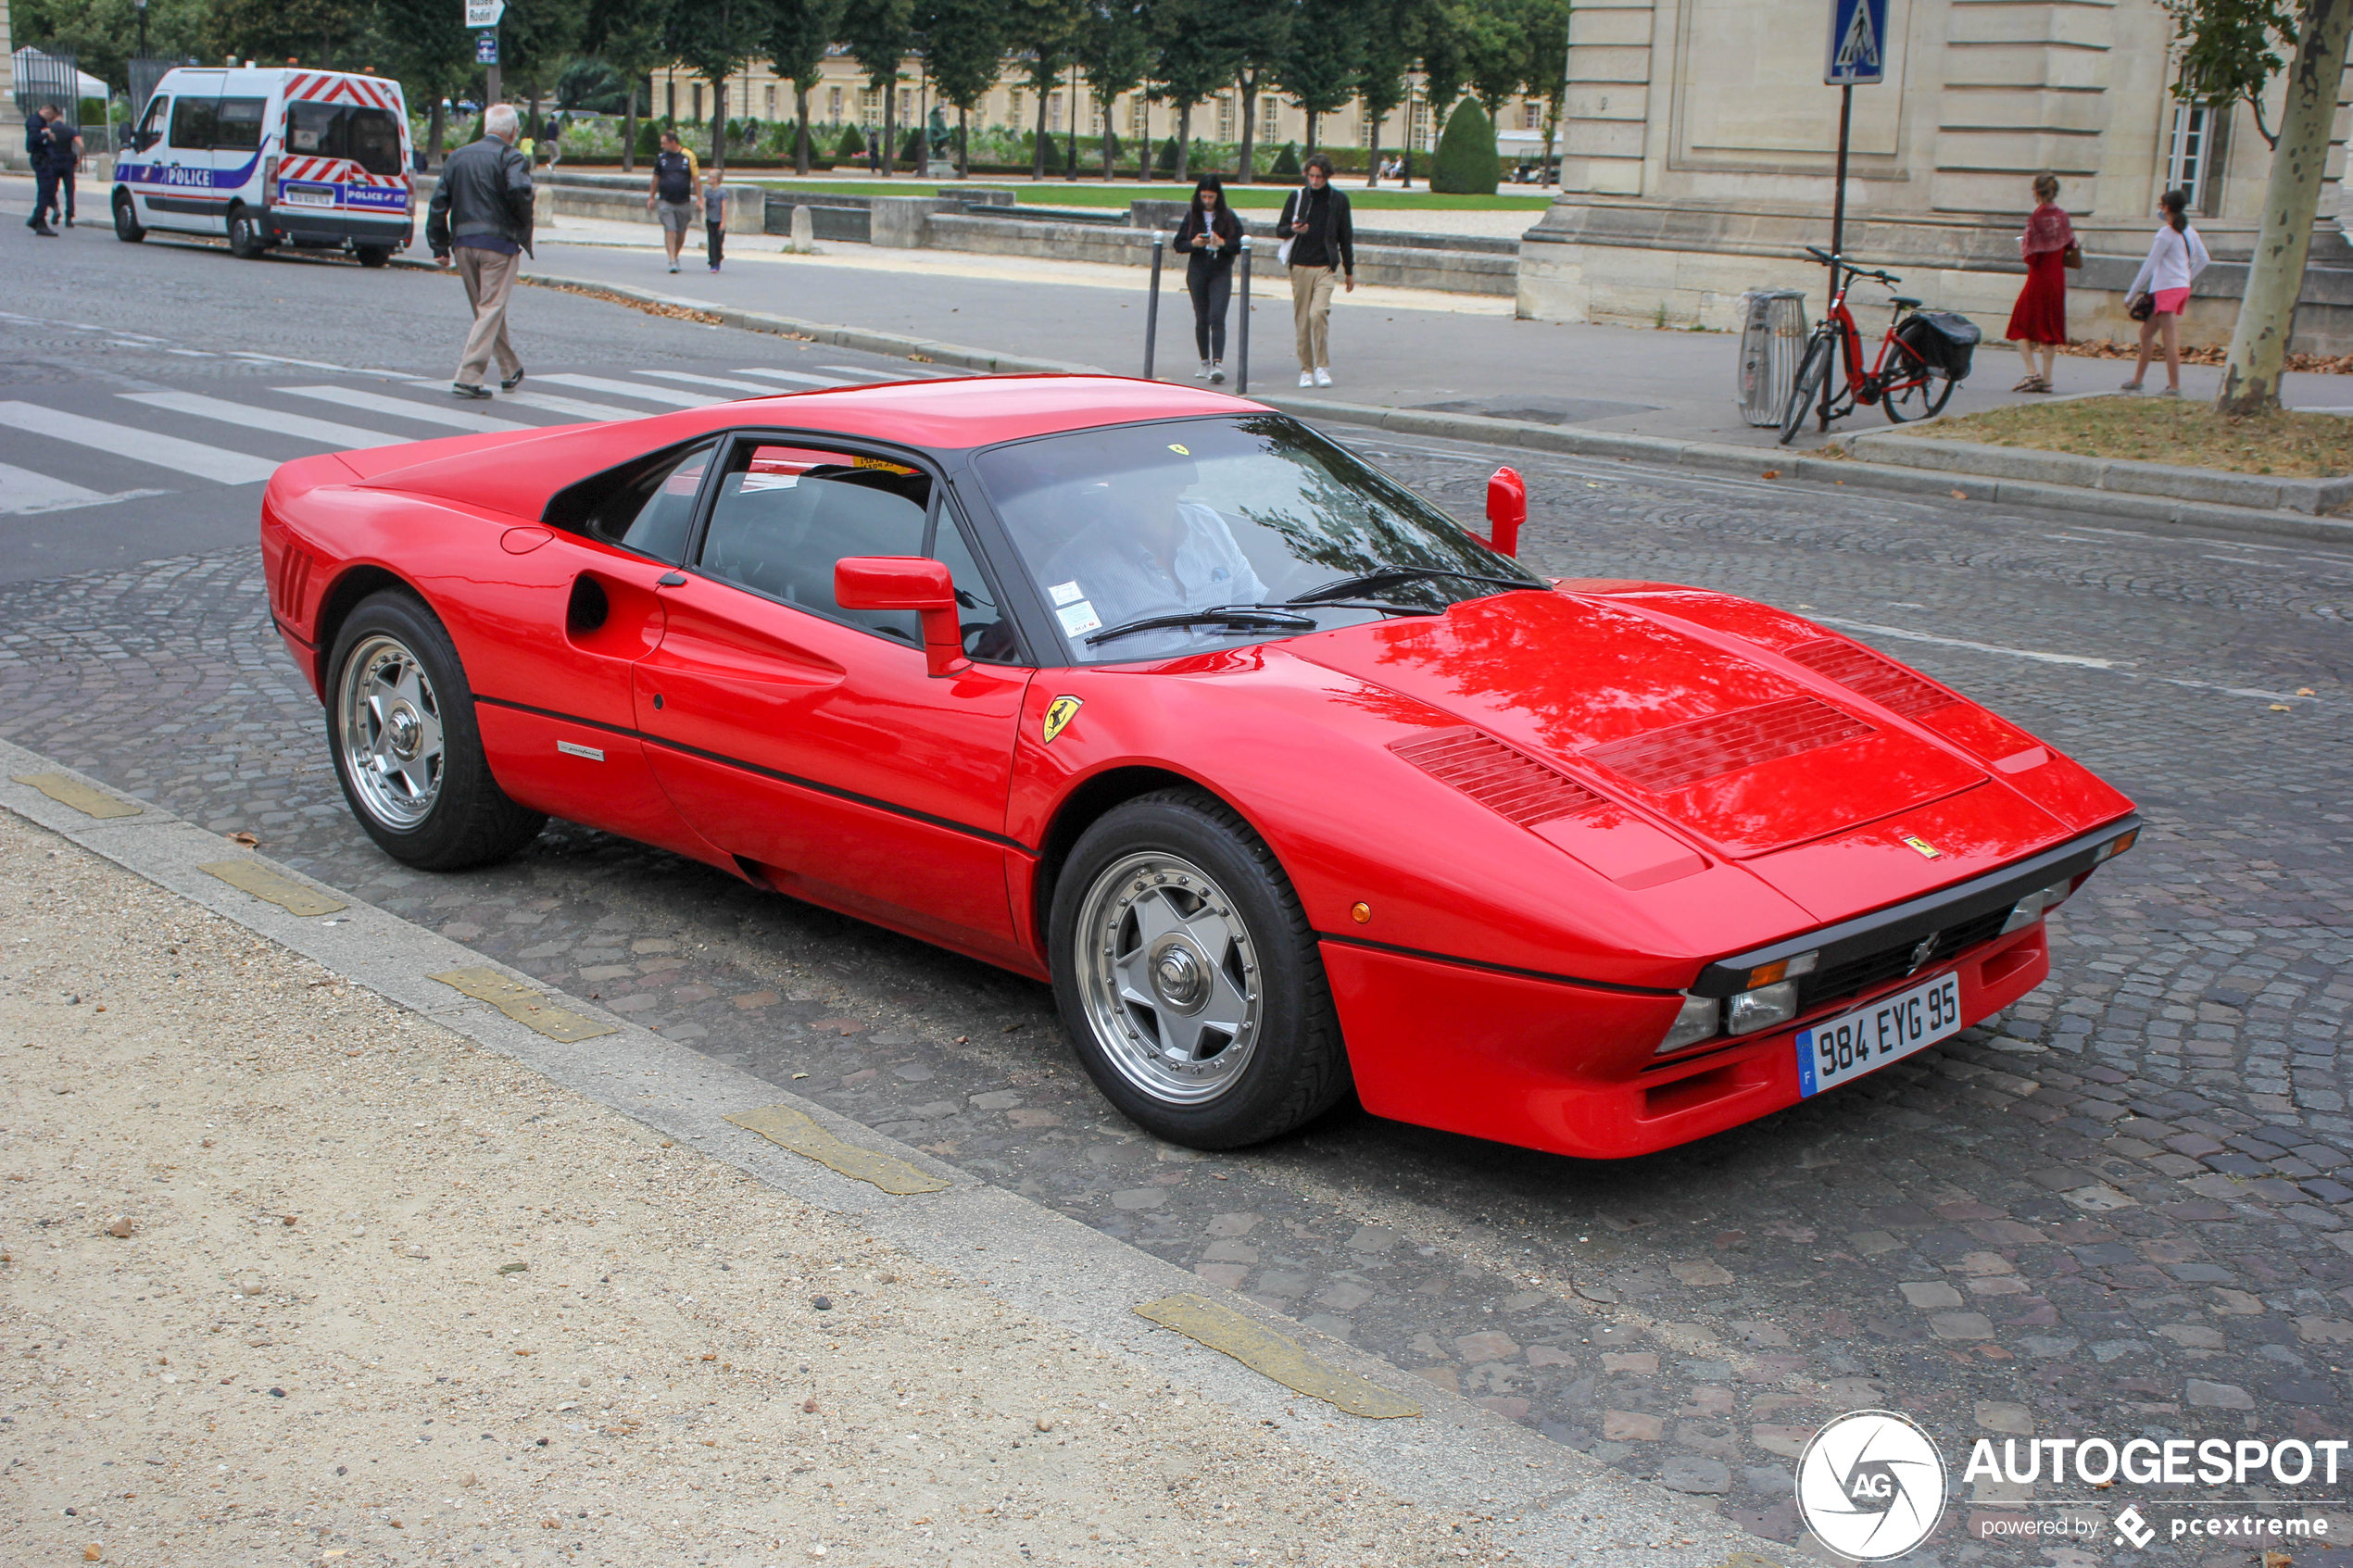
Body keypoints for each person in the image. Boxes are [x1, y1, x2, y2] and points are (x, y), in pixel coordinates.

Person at [425, 103, 535, 401]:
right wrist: (522, 223)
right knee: (490, 309)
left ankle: (510, 368)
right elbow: (519, 191)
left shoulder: (458, 156)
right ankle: (468, 375)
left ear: (486, 126)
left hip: (463, 241)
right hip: (498, 243)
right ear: (513, 131)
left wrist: (439, 243)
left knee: (485, 310)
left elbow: (438, 202)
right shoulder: (512, 156)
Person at [2120, 188, 2209, 397]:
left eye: (2161, 206)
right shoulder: (2190, 231)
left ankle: (2174, 387)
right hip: (2179, 288)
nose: (2159, 210)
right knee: (2146, 334)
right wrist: (2186, 277)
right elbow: (2204, 259)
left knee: (2170, 339)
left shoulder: (2165, 234)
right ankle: (2137, 381)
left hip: (2167, 289)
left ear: (2167, 208)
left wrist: (2131, 294)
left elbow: (2150, 265)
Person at [1278, 152, 1355, 388]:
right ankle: (1306, 369)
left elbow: (1345, 236)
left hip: (1324, 266)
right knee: (1302, 320)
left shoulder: (1339, 200)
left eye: (1319, 177)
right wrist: (1294, 229)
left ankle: (1322, 367)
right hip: (1300, 265)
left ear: (1327, 176)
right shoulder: (1298, 197)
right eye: (1310, 176)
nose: (1314, 181)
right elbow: (1280, 230)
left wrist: (1349, 270)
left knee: (1318, 313)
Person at [2006, 171, 2074, 393]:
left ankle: (2031, 372)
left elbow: (2031, 256)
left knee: (2019, 324)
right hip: (2057, 278)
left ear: (2036, 192)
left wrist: (2022, 245)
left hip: (2039, 278)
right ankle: (2046, 379)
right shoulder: (2063, 216)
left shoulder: (2036, 218)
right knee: (2050, 328)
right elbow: (2071, 245)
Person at [1174, 175, 1241, 383]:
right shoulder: (1192, 216)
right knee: (1202, 317)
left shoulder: (1228, 216)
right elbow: (1178, 244)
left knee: (1217, 316)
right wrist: (1194, 243)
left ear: (1218, 197)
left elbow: (1239, 244)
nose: (1207, 201)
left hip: (1220, 270)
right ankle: (1205, 360)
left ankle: (1217, 362)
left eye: (1211, 197)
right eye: (1204, 196)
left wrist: (1222, 243)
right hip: (1198, 271)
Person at [647, 130, 698, 274]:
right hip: (666, 201)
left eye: (664, 143)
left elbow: (696, 179)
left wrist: (700, 199)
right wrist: (651, 197)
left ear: (673, 142)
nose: (662, 146)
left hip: (683, 201)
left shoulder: (688, 156)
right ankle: (672, 260)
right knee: (670, 229)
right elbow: (655, 178)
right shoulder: (661, 158)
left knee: (681, 233)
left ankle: (675, 255)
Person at [24, 105, 63, 236]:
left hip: (44, 159)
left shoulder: (40, 122)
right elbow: (33, 139)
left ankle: (37, 218)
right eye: (51, 117)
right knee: (45, 190)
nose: (51, 120)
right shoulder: (35, 121)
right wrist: (46, 134)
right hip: (40, 159)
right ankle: (39, 220)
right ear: (47, 111)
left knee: (48, 189)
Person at [701, 166, 727, 273]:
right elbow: (703, 203)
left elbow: (724, 208)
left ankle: (718, 256)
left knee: (718, 243)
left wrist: (723, 222)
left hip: (718, 220)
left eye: (710, 177)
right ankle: (713, 262)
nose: (708, 179)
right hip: (710, 220)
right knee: (711, 242)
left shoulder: (722, 193)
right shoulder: (707, 192)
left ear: (716, 179)